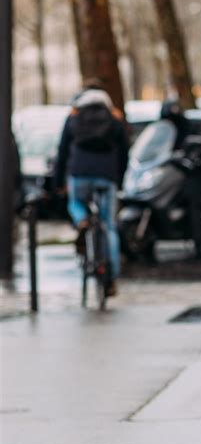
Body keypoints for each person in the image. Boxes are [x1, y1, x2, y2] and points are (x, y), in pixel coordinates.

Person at [55, 79, 129, 296]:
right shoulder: (114, 119)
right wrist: (120, 179)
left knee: (75, 202)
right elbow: (125, 151)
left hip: (79, 174)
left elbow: (62, 152)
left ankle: (82, 221)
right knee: (109, 226)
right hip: (107, 177)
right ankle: (112, 279)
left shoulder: (74, 117)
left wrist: (58, 183)